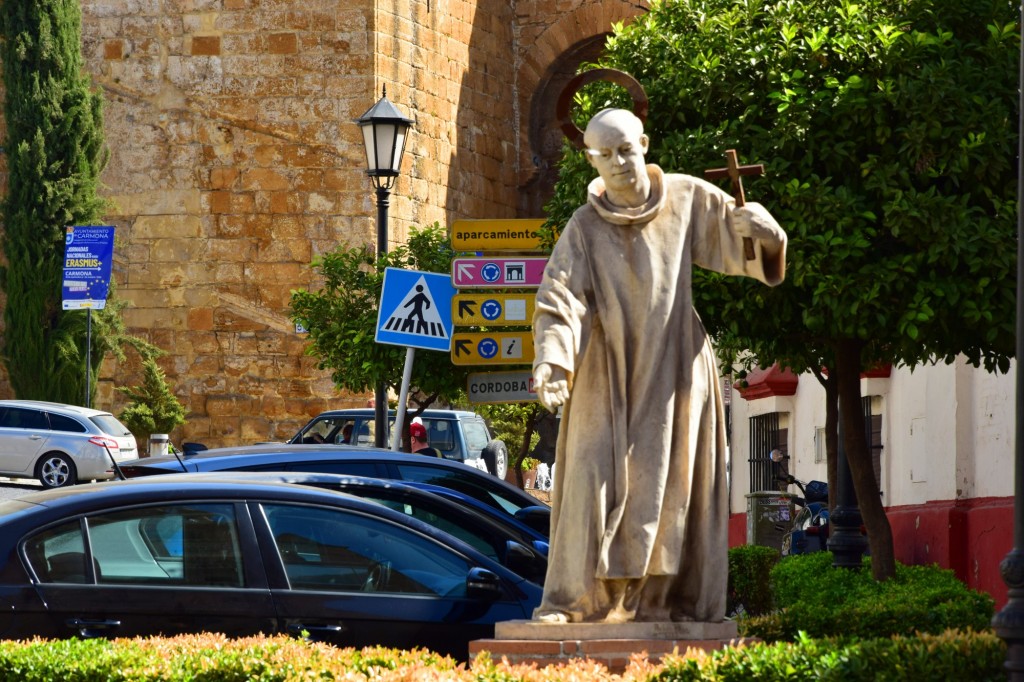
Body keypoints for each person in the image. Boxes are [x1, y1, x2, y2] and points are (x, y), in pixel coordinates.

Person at [531, 108, 787, 624]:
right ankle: (572, 602)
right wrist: (554, 361)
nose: (619, 163)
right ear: (591, 160)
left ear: (644, 144)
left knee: (669, 487)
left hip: (674, 367)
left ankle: (662, 604)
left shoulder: (687, 198)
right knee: (586, 475)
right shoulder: (583, 227)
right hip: (606, 369)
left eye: (626, 149)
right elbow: (559, 297)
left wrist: (770, 234)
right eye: (605, 155)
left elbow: (747, 250)